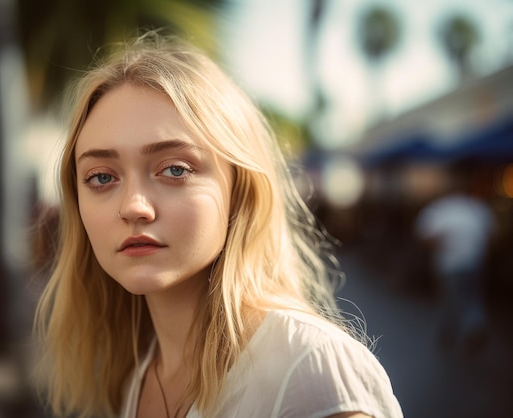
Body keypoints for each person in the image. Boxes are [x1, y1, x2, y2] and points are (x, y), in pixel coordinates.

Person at [34, 31, 402, 418]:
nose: (133, 207)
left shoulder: (310, 371)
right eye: (102, 177)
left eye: (175, 169)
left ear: (239, 188)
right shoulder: (134, 376)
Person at [415, 169, 495, 356]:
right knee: (470, 297)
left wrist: (443, 244)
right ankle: (465, 328)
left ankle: (462, 330)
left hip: (449, 265)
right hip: (474, 262)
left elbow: (424, 237)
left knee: (452, 298)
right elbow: (492, 236)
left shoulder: (441, 209)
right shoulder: (477, 208)